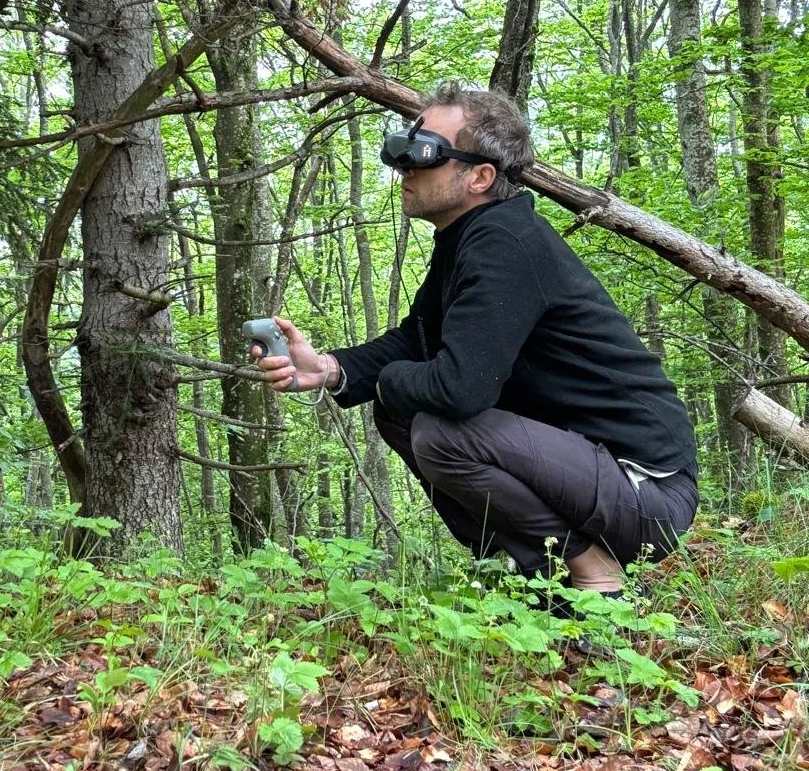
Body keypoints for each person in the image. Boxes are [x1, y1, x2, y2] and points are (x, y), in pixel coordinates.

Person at [250, 83, 698, 599]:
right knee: (400, 411)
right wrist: (326, 367)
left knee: (441, 431)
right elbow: (414, 341)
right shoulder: (469, 239)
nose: (404, 167)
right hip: (591, 476)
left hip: (647, 492)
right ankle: (531, 569)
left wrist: (390, 381)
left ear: (481, 176)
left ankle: (595, 573)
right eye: (404, 148)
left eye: (425, 154)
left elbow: (460, 391)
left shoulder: (504, 243)